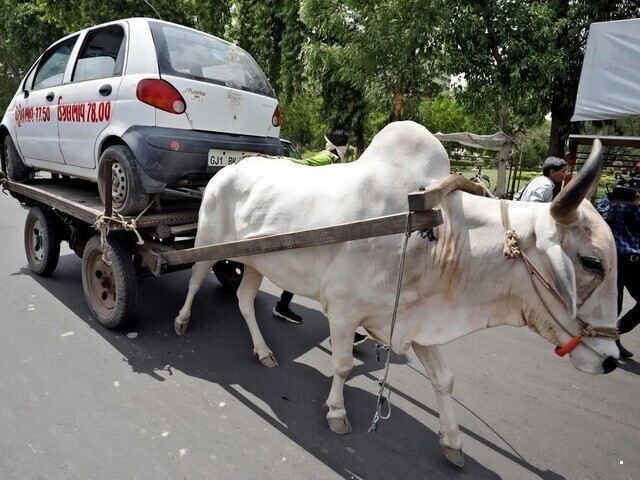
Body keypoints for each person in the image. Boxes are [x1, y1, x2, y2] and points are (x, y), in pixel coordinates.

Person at [270, 129, 367, 345]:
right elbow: (303, 165)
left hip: (324, 222)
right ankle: (341, 333)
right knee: (332, 277)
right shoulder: (329, 158)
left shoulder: (339, 161)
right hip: (318, 222)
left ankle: (282, 306)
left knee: (314, 269)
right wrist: (271, 160)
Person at [597, 170, 640, 358]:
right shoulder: (611, 198)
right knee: (616, 305)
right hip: (616, 259)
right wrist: (614, 202)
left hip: (637, 262)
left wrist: (635, 206)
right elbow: (601, 222)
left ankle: (616, 332)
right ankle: (608, 341)